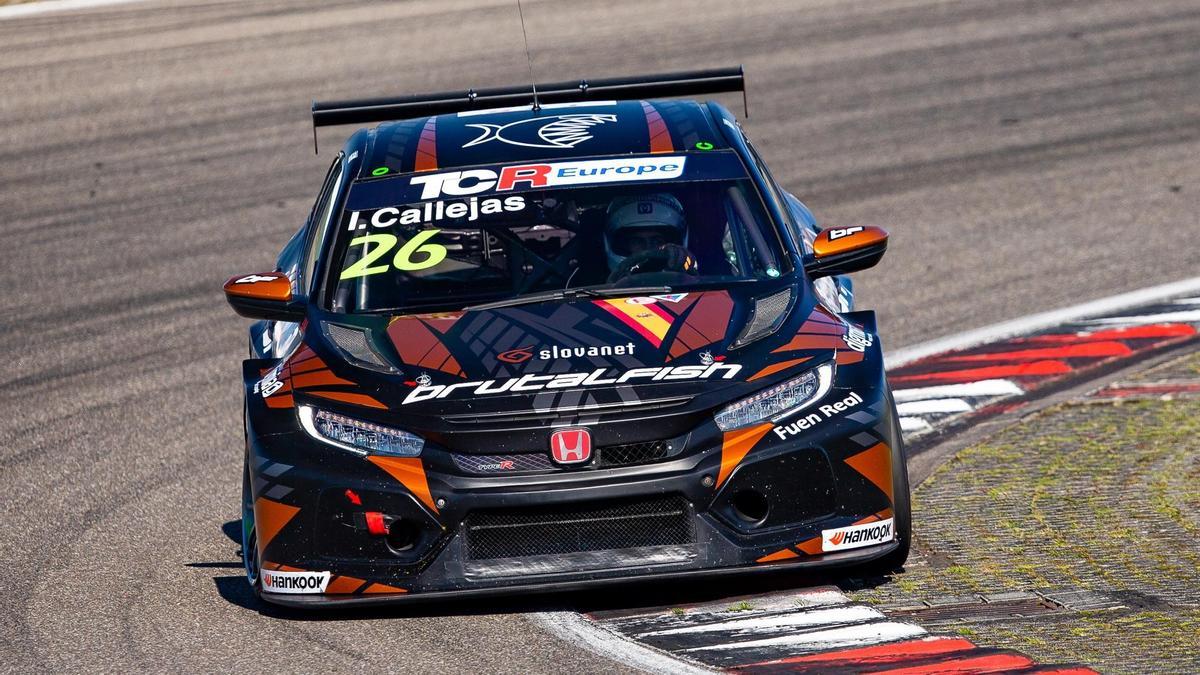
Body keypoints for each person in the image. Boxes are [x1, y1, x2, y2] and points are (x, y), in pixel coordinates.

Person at [603, 193, 698, 283]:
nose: (648, 248)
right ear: (622, 246)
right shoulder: (594, 292)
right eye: (637, 241)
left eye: (657, 241)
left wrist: (686, 265)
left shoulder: (691, 285)